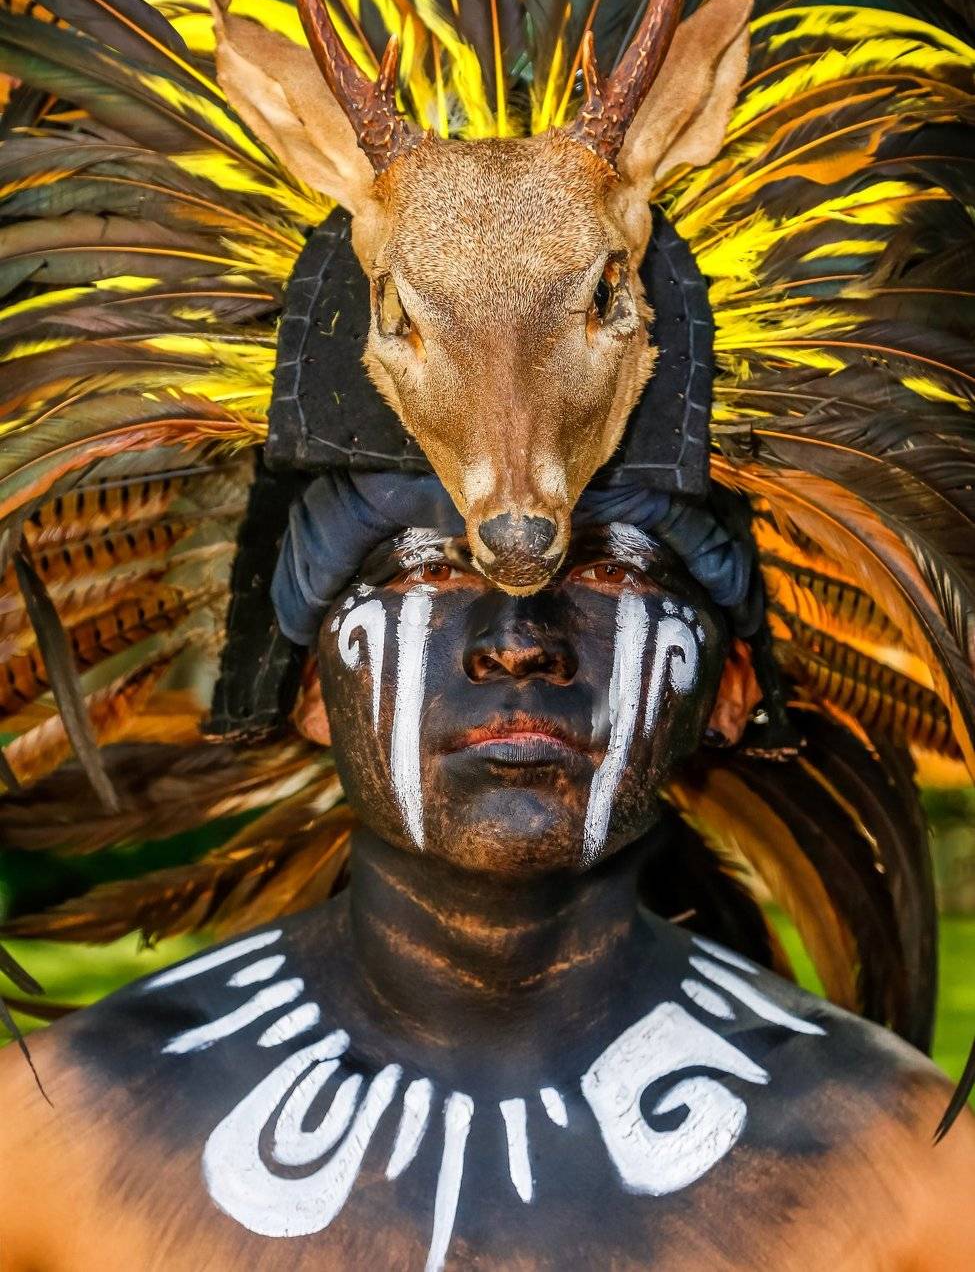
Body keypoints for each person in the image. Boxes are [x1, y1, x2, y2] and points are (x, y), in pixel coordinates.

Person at [0, 479, 972, 1271]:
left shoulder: (903, 1170)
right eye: (429, 571)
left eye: (610, 575)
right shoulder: (53, 1135)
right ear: (312, 689)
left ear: (725, 689)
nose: (516, 641)